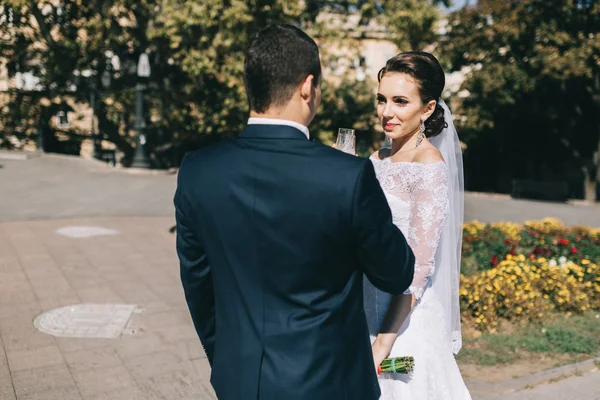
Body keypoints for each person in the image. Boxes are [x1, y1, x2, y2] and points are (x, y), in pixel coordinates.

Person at [174, 24, 415, 400]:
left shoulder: (198, 170)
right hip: (328, 383)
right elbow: (396, 272)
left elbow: (198, 284)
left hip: (239, 380)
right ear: (307, 87)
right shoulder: (346, 177)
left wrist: (226, 359)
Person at [365, 51, 472, 399]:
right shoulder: (377, 158)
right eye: (382, 99)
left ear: (427, 109)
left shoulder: (429, 167)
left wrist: (383, 344)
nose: (386, 112)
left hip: (403, 326)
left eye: (399, 101)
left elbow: (419, 267)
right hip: (360, 310)